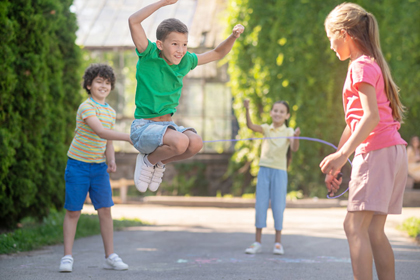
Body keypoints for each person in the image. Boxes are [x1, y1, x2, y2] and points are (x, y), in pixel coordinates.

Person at [320, 3, 407, 280]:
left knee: (353, 226)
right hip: (393, 150)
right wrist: (338, 161)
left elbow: (370, 118)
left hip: (377, 152)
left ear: (344, 34)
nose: (331, 46)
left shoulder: (359, 67)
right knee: (372, 230)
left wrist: (343, 155)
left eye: (331, 38)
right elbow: (354, 122)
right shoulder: (370, 64)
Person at [128, 0, 244, 192]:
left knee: (196, 143)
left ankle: (158, 162)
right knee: (181, 141)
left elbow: (217, 53)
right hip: (143, 128)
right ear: (160, 44)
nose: (180, 50)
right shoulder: (148, 54)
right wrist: (163, 3)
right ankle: (148, 161)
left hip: (167, 127)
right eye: (174, 44)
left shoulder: (185, 61)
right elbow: (133, 21)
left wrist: (233, 36)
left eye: (184, 44)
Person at [59, 64, 132, 273]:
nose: (104, 86)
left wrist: (111, 160)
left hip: (99, 168)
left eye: (108, 83)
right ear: (89, 85)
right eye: (99, 81)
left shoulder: (110, 111)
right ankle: (67, 257)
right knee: (73, 212)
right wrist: (128, 137)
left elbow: (108, 141)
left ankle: (110, 256)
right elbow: (100, 132)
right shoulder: (86, 107)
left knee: (105, 210)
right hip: (77, 166)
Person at [243, 99, 300, 255]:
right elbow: (250, 126)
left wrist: (296, 137)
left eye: (282, 112)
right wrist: (247, 109)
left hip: (280, 172)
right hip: (264, 170)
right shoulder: (267, 129)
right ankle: (257, 242)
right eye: (275, 110)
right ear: (271, 113)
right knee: (260, 205)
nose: (278, 114)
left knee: (278, 206)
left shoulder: (289, 131)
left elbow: (294, 148)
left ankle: (277, 243)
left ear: (287, 115)